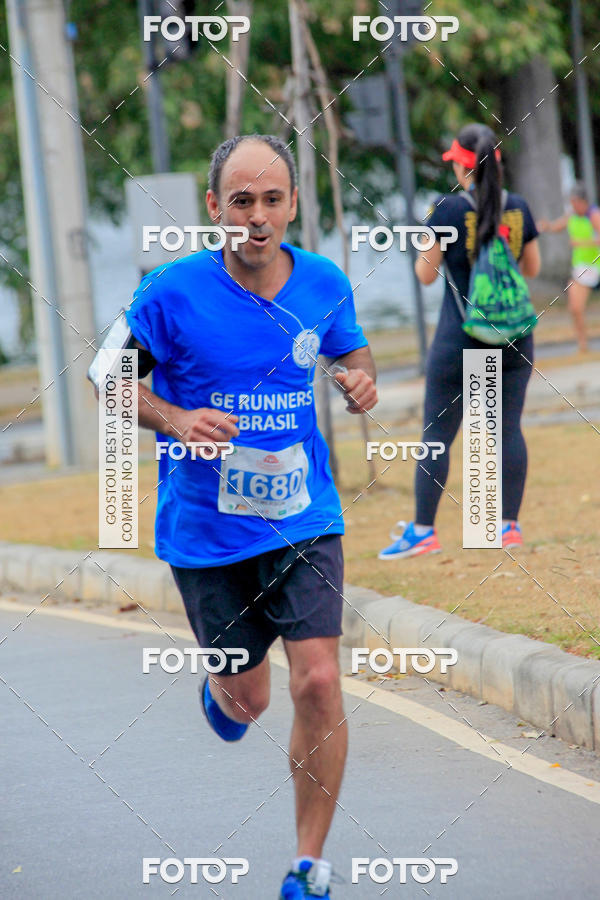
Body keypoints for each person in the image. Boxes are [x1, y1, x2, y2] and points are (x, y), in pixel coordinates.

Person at [124, 135, 377, 898]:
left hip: (303, 517)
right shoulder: (168, 292)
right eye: (241, 202)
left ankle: (309, 867)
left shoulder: (324, 282)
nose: (257, 218)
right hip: (205, 531)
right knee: (248, 698)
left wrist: (359, 384)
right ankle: (223, 686)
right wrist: (173, 418)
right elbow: (111, 385)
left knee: (319, 681)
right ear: (214, 209)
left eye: (272, 200)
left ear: (293, 204)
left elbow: (354, 356)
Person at [379, 123, 541, 561]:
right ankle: (507, 527)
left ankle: (423, 531)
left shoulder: (446, 208)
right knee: (507, 429)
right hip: (513, 338)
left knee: (437, 435)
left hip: (461, 339)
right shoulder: (519, 207)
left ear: (462, 166)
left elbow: (425, 274)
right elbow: (532, 267)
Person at [537, 181, 600, 353]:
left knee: (576, 306)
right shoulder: (572, 215)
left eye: (574, 202)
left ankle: (583, 344)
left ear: (582, 201)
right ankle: (583, 344)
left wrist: (582, 243)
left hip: (593, 266)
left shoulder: (593, 215)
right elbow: (558, 226)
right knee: (574, 308)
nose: (572, 206)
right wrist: (546, 226)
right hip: (580, 267)